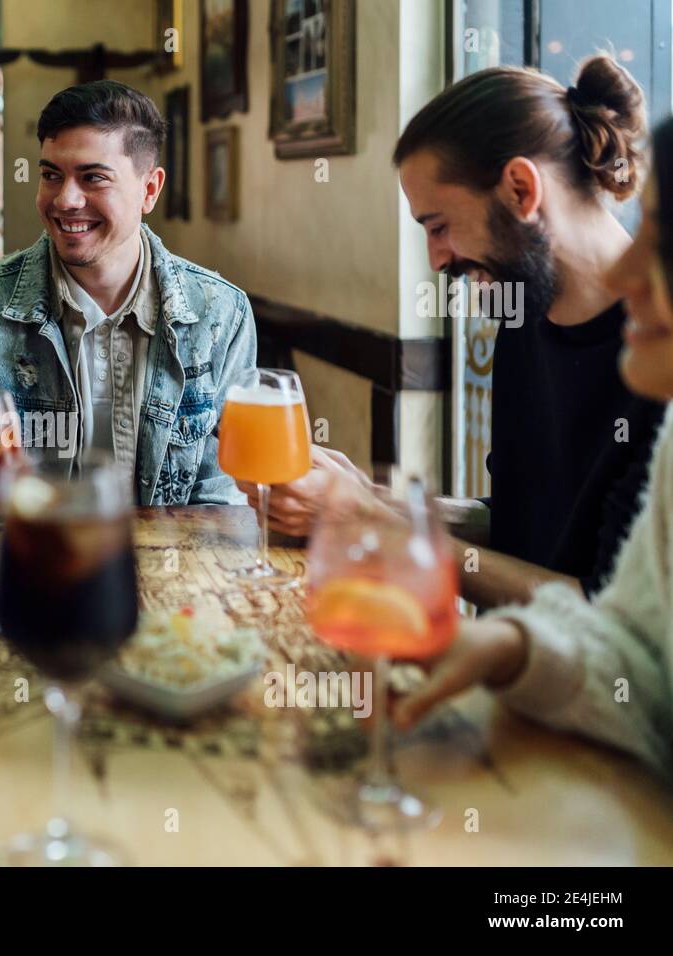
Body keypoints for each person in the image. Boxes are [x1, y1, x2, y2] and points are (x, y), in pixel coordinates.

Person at [244, 56, 664, 609]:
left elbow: (606, 614)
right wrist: (375, 499)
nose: (436, 259)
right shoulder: (521, 317)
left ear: (520, 189)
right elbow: (517, 524)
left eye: (438, 226)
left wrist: (365, 518)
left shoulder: (659, 355)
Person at [392, 115, 673, 776]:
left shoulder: (651, 385)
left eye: (661, 241)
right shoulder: (522, 321)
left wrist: (412, 541)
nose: (629, 268)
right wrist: (515, 648)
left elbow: (596, 599)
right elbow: (636, 655)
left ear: (522, 189)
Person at [0, 80, 256, 505]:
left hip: (174, 567)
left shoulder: (221, 315)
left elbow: (222, 503)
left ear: (149, 190)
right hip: (29, 565)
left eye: (93, 178)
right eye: (51, 175)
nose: (65, 200)